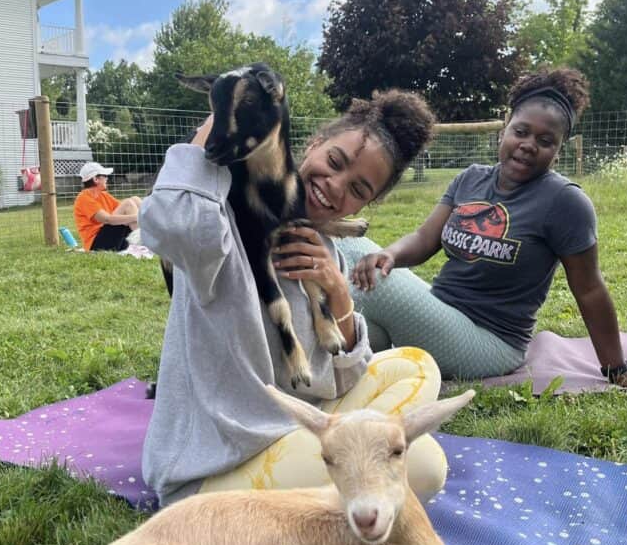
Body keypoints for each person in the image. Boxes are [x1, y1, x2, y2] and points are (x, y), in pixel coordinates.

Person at [140, 88, 450, 508]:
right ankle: (341, 474)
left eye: (358, 189)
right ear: (313, 144)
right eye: (334, 162)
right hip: (214, 472)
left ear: (368, 201)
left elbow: (340, 378)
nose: (334, 187)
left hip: (292, 430)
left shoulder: (323, 249)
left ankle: (338, 463)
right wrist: (220, 116)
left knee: (416, 365)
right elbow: (170, 227)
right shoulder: (222, 220)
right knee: (425, 466)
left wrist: (338, 291)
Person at [346, 67, 627, 390]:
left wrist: (616, 368)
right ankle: (345, 364)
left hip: (490, 343)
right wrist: (389, 253)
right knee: (354, 251)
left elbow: (589, 289)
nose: (529, 144)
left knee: (377, 284)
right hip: (441, 312)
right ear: (504, 131)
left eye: (545, 141)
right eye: (521, 131)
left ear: (559, 149)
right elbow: (424, 239)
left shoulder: (565, 202)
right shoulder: (471, 178)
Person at [73, 161, 142, 252]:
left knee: (135, 199)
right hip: (96, 244)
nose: (107, 178)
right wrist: (139, 216)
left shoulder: (103, 195)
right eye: (104, 176)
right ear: (95, 179)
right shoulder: (84, 198)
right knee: (128, 203)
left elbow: (125, 209)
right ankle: (142, 244)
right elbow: (107, 219)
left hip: (110, 239)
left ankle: (150, 238)